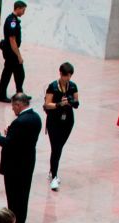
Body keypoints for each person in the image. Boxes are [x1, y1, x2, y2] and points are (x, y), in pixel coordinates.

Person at [0, 93, 41, 223]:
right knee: (23, 197)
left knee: (13, 198)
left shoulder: (19, 122)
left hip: (14, 166)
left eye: (13, 106)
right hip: (27, 163)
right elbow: (22, 139)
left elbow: (9, 144)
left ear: (19, 105)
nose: (12, 109)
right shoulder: (36, 118)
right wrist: (12, 134)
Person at [43, 62, 80, 191]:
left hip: (67, 121)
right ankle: (54, 176)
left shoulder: (73, 86)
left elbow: (76, 103)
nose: (68, 78)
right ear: (60, 74)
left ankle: (52, 170)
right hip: (54, 120)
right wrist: (59, 104)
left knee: (59, 147)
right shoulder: (53, 86)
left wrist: (70, 102)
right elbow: (47, 104)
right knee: (56, 147)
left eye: (70, 76)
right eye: (66, 75)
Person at [0, 1, 27, 103]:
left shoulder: (14, 20)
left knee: (19, 73)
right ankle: (1, 95)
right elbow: (12, 40)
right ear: (18, 8)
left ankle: (20, 93)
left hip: (11, 51)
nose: (24, 12)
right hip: (11, 52)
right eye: (23, 10)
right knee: (9, 73)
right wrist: (19, 55)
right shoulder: (12, 21)